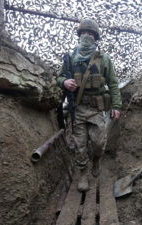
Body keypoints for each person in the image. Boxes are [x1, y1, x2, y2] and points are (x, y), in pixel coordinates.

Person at [56, 18, 122, 192]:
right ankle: (83, 174)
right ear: (79, 36)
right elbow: (59, 77)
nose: (87, 36)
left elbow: (113, 84)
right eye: (84, 33)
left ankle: (96, 160)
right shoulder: (70, 58)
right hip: (77, 108)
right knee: (80, 145)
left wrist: (116, 106)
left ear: (95, 37)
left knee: (99, 143)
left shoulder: (104, 59)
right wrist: (64, 82)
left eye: (91, 33)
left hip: (95, 109)